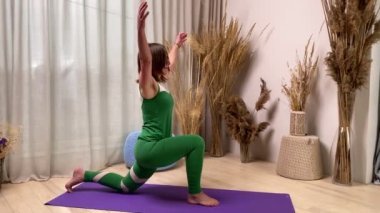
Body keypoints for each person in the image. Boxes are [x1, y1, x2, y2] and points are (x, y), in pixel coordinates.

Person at [65, 1, 219, 207]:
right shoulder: (148, 86)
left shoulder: (158, 83)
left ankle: (84, 174)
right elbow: (146, 60)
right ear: (154, 64)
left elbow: (168, 63)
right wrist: (140, 30)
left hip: (148, 150)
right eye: (163, 60)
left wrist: (176, 45)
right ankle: (194, 194)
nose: (168, 64)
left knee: (124, 186)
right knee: (196, 142)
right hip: (151, 148)